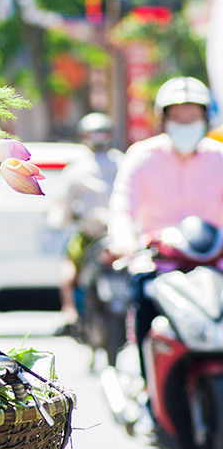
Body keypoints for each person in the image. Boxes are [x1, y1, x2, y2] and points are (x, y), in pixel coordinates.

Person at [108, 76, 223, 373]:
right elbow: (122, 207)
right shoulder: (142, 157)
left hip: (214, 266)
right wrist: (124, 243)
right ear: (163, 119)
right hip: (158, 265)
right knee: (144, 309)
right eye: (177, 116)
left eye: (193, 116)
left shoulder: (219, 158)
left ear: (205, 118)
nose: (186, 123)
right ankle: (147, 388)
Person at [53, 112, 122, 332]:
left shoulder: (76, 169)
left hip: (105, 235)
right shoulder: (124, 162)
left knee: (68, 268)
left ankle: (69, 311)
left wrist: (64, 219)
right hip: (119, 235)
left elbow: (64, 207)